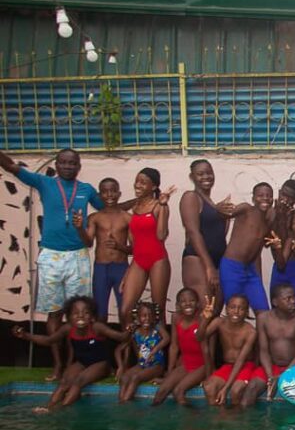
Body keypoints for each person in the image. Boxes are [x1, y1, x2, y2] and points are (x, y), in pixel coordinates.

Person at [1, 148, 103, 380]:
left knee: (80, 314)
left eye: (72, 163)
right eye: (64, 163)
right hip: (51, 256)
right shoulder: (43, 182)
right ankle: (57, 365)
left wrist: (145, 200)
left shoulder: (86, 190)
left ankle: (75, 361)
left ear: (79, 166)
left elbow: (109, 207)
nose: (68, 166)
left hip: (78, 257)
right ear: (57, 165)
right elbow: (11, 167)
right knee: (55, 313)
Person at [12, 295, 130, 410]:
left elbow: (121, 337)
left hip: (100, 364)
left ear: (92, 317)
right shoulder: (68, 328)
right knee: (64, 382)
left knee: (78, 382)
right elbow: (48, 340)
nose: (80, 316)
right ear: (68, 317)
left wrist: (130, 329)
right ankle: (49, 407)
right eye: (76, 313)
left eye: (86, 313)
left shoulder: (97, 327)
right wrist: (25, 335)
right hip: (82, 362)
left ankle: (60, 409)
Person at [120, 168, 175, 325]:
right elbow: (135, 244)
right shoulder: (135, 208)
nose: (138, 185)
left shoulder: (159, 206)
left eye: (143, 182)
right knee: (126, 310)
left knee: (158, 310)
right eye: (137, 181)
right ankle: (133, 345)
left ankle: (159, 348)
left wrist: (164, 206)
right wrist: (128, 272)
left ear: (153, 187)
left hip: (158, 260)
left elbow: (161, 236)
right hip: (138, 262)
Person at [72, 177, 130, 322]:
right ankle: (100, 343)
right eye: (105, 192)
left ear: (119, 194)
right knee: (99, 312)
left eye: (113, 191)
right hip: (101, 268)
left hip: (121, 268)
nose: (109, 195)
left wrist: (119, 246)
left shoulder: (128, 218)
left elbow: (134, 249)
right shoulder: (95, 218)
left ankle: (127, 344)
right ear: (99, 195)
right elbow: (88, 242)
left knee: (125, 311)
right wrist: (79, 229)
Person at [180, 159, 230, 315]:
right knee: (204, 311)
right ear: (191, 177)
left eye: (209, 173)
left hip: (217, 262)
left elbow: (220, 235)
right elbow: (194, 232)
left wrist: (223, 215)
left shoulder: (213, 204)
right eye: (200, 174)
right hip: (198, 260)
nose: (206, 177)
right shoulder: (191, 197)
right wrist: (209, 267)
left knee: (214, 312)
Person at [199, 294, 263, 407]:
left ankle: (236, 421)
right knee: (209, 388)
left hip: (245, 365)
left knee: (236, 391)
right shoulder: (219, 322)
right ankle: (218, 419)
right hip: (228, 366)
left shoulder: (250, 332)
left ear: (247, 312)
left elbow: (241, 361)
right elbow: (199, 338)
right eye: (233, 307)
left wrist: (225, 388)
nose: (236, 311)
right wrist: (205, 319)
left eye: (241, 308)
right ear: (226, 309)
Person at [249, 283, 295, 408]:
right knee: (251, 390)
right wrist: (271, 377)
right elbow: (263, 351)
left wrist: (284, 375)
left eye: (294, 298)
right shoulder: (263, 318)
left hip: (294, 367)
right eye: (288, 299)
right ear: (275, 302)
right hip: (270, 367)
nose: (293, 302)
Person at [219, 183, 274, 313]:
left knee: (263, 311)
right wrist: (220, 208)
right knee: (234, 310)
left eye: (269, 196)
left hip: (250, 271)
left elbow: (260, 248)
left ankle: (262, 333)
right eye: (260, 195)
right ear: (253, 198)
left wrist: (258, 276)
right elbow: (225, 214)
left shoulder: (267, 219)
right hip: (232, 267)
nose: (265, 198)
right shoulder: (246, 209)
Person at [152, 287, 209, 406]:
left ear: (198, 303)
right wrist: (170, 371)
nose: (188, 303)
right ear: (178, 305)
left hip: (201, 366)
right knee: (161, 391)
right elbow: (174, 346)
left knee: (178, 391)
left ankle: (192, 421)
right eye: (183, 301)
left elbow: (206, 350)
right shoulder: (175, 317)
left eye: (192, 300)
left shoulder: (202, 319)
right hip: (185, 364)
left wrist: (208, 375)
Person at [115, 301, 169, 402]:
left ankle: (125, 402)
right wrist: (121, 366)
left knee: (136, 378)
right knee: (124, 378)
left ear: (154, 317)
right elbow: (118, 350)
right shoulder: (135, 332)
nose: (147, 318)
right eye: (143, 316)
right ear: (138, 318)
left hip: (156, 366)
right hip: (142, 365)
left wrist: (155, 349)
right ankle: (121, 401)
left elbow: (167, 338)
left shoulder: (157, 328)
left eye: (150, 315)